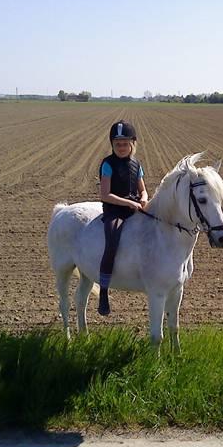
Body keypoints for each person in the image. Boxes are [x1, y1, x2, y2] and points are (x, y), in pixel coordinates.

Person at [97, 121, 148, 316]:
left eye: (125, 144)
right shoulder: (108, 164)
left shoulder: (136, 164)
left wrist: (143, 199)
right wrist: (128, 203)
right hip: (114, 211)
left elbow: (142, 190)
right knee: (111, 242)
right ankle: (103, 290)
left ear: (132, 144)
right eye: (117, 144)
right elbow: (105, 195)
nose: (121, 147)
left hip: (133, 208)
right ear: (112, 145)